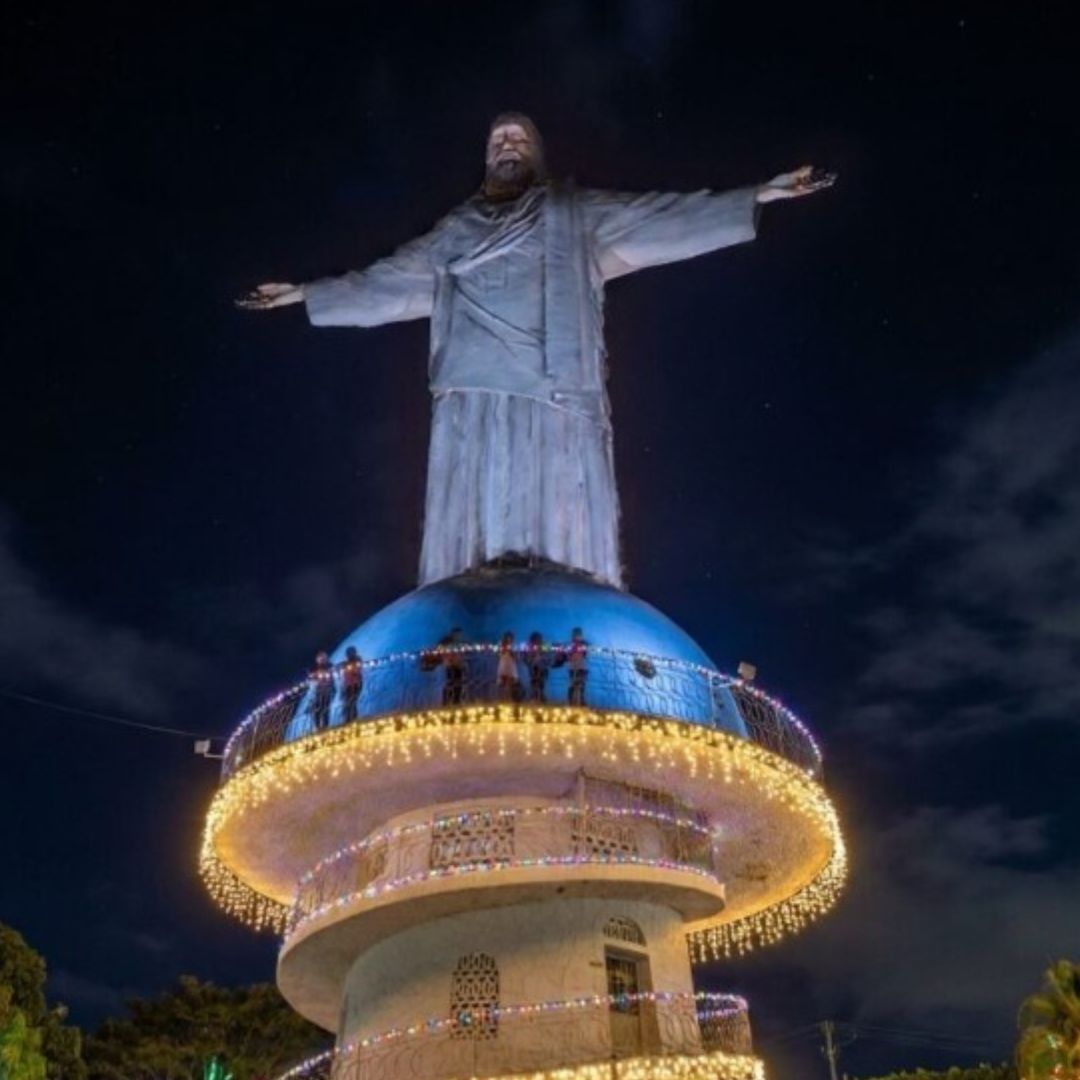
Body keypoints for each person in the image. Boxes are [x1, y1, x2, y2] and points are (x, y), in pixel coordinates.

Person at [238, 115, 834, 591]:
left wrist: (755, 195)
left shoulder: (572, 212)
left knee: (551, 486)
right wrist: (306, 294)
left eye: (519, 136)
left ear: (537, 153)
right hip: (470, 387)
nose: (508, 144)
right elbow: (383, 280)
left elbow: (659, 215)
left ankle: (563, 584)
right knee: (476, 491)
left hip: (554, 383)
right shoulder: (455, 231)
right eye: (498, 137)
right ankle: (465, 584)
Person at [438, 627, 466, 705]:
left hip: (458, 665)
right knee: (450, 683)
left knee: (458, 683)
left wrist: (461, 662)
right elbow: (441, 649)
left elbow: (461, 654)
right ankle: (447, 701)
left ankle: (457, 701)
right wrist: (448, 657)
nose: (459, 636)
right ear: (453, 634)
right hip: (450, 665)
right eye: (457, 634)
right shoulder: (446, 642)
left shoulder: (460, 644)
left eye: (459, 634)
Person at [307, 651, 334, 731]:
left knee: (326, 709)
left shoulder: (330, 666)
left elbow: (332, 677)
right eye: (320, 658)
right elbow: (310, 677)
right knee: (317, 709)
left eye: (323, 658)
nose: (322, 660)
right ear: (317, 660)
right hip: (317, 692)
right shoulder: (314, 668)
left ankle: (325, 726)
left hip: (326, 691)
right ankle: (317, 726)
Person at [339, 646, 363, 723]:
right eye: (348, 653)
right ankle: (348, 718)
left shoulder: (357, 660)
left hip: (356, 684)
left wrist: (353, 671)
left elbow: (358, 671)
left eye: (351, 653)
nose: (349, 655)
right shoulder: (345, 663)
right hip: (348, 685)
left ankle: (353, 718)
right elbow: (340, 667)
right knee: (348, 701)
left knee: (352, 701)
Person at [524, 631, 549, 702]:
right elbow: (527, 659)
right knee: (534, 682)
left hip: (542, 668)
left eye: (538, 639)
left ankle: (541, 696)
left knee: (541, 683)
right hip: (533, 668)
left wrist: (543, 658)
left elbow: (547, 657)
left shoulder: (544, 646)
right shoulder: (529, 648)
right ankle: (534, 696)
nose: (537, 641)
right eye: (535, 640)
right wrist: (530, 660)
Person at [566, 628, 588, 706]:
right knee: (573, 684)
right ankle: (571, 701)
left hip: (582, 667)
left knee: (581, 685)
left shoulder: (584, 644)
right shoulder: (570, 645)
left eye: (579, 635)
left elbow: (585, 653)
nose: (577, 637)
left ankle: (581, 700)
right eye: (576, 635)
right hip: (573, 667)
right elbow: (568, 656)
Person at [496, 631, 520, 701]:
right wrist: (503, 649)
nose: (509, 640)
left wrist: (512, 652)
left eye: (510, 638)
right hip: (503, 666)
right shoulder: (501, 646)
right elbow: (498, 655)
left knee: (511, 684)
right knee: (502, 684)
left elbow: (517, 658)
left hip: (511, 667)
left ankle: (510, 700)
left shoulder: (514, 647)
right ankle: (503, 700)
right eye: (507, 638)